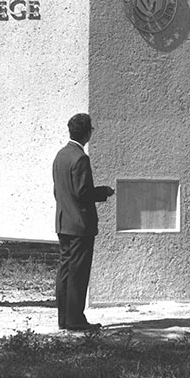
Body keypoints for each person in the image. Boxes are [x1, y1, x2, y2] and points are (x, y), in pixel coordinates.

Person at [53, 113, 115, 331]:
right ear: (88, 132)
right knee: (78, 273)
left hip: (63, 222)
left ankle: (64, 319)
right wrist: (104, 192)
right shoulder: (80, 158)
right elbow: (83, 192)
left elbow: (59, 191)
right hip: (80, 224)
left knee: (65, 271)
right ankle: (76, 319)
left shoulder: (61, 156)